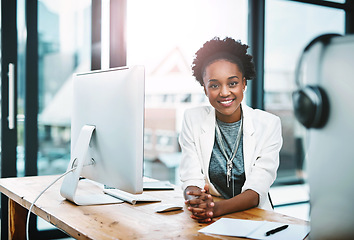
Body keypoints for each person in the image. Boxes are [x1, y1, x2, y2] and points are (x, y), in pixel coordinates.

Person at [178, 37, 283, 223]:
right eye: (214, 85)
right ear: (205, 89)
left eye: (232, 83)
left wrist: (215, 209)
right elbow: (191, 178)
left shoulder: (269, 124)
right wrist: (195, 201)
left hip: (255, 218)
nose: (224, 92)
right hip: (210, 219)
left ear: (244, 83)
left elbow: (256, 189)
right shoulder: (192, 119)